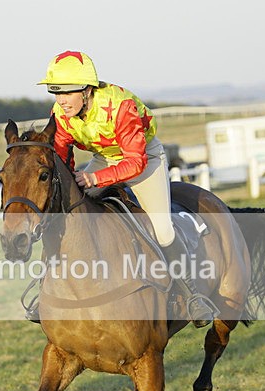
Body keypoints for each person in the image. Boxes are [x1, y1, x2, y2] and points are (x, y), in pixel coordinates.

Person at [32, 50, 214, 327]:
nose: (61, 101)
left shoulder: (121, 106)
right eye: (56, 93)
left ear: (87, 90)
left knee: (162, 230)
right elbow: (62, 156)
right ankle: (46, 289)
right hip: (104, 158)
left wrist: (94, 179)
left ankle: (192, 294)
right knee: (67, 215)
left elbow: (135, 162)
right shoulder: (60, 114)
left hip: (144, 159)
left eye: (67, 93)